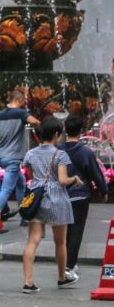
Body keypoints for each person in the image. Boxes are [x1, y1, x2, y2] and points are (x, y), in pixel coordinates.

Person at [21, 117, 83, 293]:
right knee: (60, 242)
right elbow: (63, 180)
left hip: (37, 197)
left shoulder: (30, 154)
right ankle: (62, 278)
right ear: (56, 134)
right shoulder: (60, 154)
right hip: (57, 199)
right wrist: (75, 179)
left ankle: (28, 282)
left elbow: (31, 176)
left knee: (32, 241)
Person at [61, 115, 109, 277]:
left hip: (61, 195)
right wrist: (103, 191)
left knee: (64, 231)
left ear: (65, 130)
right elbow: (95, 173)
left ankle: (64, 262)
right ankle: (69, 265)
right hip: (80, 196)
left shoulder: (59, 150)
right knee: (76, 231)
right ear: (81, 131)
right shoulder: (85, 152)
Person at [0, 89, 39, 219]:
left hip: (0, 156)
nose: (25, 103)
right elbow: (35, 122)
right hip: (12, 158)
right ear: (19, 100)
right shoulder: (21, 113)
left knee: (21, 182)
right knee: (7, 189)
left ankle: (23, 213)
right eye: (24, 101)